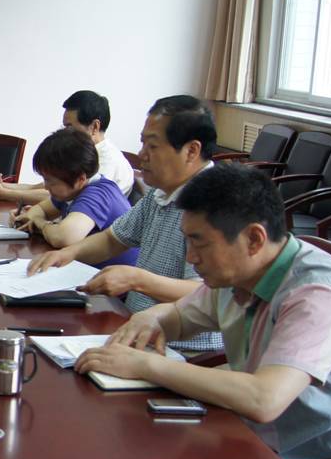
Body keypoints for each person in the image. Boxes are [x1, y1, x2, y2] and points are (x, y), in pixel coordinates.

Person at [74, 165, 331, 459]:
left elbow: (264, 399)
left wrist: (146, 366)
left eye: (199, 242)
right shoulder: (242, 271)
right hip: (261, 442)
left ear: (254, 239)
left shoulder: (316, 293)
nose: (191, 257)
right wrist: (151, 317)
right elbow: (180, 316)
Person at [28, 95, 220, 349]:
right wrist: (67, 254)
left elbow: (209, 295)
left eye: (152, 146)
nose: (142, 155)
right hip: (134, 330)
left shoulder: (214, 203)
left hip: (181, 349)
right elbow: (113, 239)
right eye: (142, 143)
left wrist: (136, 280)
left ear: (191, 151)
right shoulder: (160, 193)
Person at [0, 90, 135, 203]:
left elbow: (59, 195)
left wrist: (4, 193)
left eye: (69, 126)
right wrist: (3, 186)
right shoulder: (84, 153)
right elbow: (46, 186)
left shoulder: (109, 163)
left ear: (94, 126)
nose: (65, 133)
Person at [12, 128, 137, 267]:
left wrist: (39, 223)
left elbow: (63, 238)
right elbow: (39, 210)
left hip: (113, 277)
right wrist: (32, 218)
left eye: (50, 181)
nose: (46, 187)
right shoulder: (72, 190)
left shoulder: (97, 194)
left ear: (80, 179)